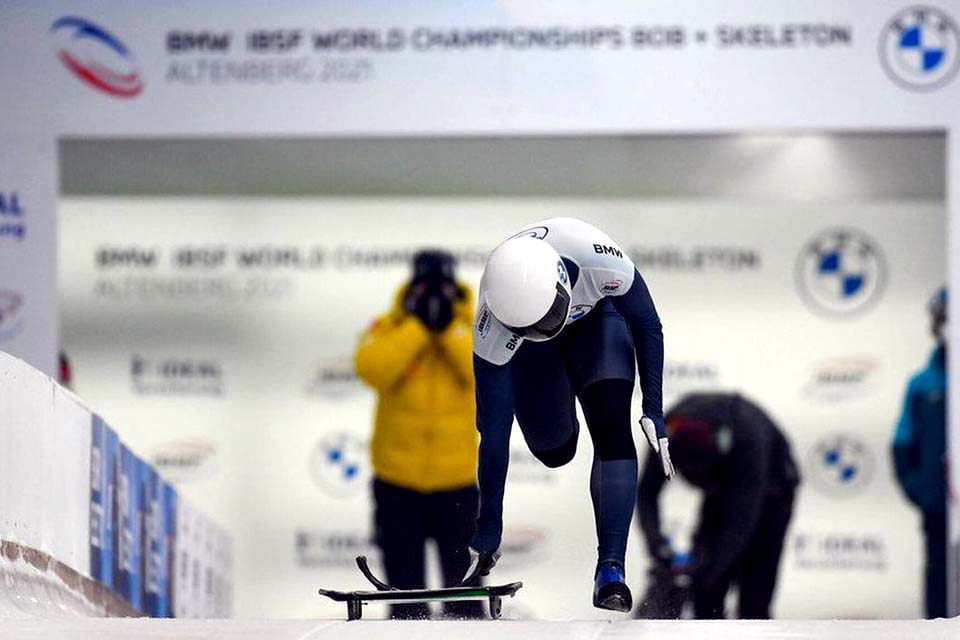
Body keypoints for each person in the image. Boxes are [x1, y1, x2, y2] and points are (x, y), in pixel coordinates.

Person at [466, 217, 673, 612]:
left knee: (613, 426)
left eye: (550, 316)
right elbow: (493, 432)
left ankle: (611, 569)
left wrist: (653, 408)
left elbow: (646, 321)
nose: (547, 328)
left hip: (598, 321)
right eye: (535, 325)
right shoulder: (490, 327)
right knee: (554, 449)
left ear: (563, 281)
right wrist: (488, 524)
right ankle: (560, 384)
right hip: (527, 351)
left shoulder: (600, 261)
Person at [354, 249, 482, 619]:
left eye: (441, 288)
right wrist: (417, 328)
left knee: (465, 603)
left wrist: (446, 330)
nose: (433, 296)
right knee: (405, 605)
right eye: (425, 287)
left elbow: (482, 371)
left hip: (458, 483)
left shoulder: (474, 327)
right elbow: (371, 369)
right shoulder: (391, 325)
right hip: (397, 484)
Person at [637, 393, 799, 619]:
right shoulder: (664, 436)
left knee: (753, 593)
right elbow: (646, 493)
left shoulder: (747, 439)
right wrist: (657, 546)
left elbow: (740, 525)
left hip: (772, 494)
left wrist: (705, 571)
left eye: (701, 472)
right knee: (706, 595)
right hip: (720, 493)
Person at [892, 286, 948, 619]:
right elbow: (902, 443)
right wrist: (921, 489)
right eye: (942, 318)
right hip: (939, 505)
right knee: (939, 575)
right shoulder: (923, 384)